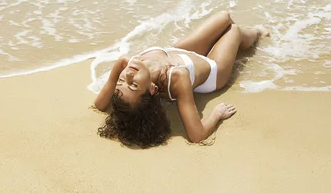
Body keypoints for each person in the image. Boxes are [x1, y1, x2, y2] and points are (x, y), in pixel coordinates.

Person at [94, 11, 268, 148]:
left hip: (180, 52)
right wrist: (216, 115)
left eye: (121, 81)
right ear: (153, 89)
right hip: (213, 70)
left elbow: (99, 105)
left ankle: (248, 35)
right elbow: (196, 135)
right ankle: (256, 34)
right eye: (134, 84)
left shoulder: (128, 67)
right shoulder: (177, 78)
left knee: (225, 17)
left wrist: (119, 72)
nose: (128, 75)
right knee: (234, 30)